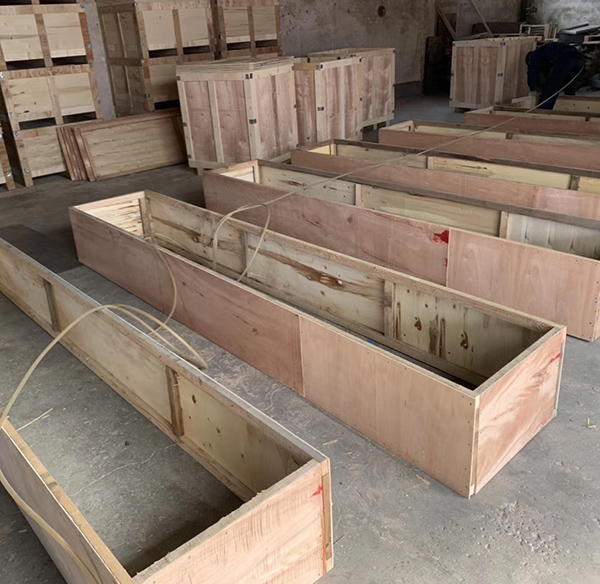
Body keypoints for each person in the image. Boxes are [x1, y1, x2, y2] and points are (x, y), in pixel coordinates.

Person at [526, 42, 584, 109]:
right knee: (570, 88)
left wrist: (533, 89)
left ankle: (543, 111)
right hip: (579, 59)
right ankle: (569, 108)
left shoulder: (534, 56)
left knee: (550, 92)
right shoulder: (545, 53)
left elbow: (531, 72)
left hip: (564, 59)